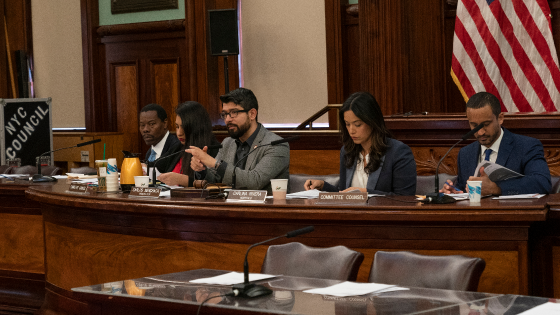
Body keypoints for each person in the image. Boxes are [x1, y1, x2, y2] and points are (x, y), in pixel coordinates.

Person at [304, 91, 417, 195]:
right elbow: (344, 194)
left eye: (357, 124)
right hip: (351, 216)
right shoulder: (347, 151)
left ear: (372, 122)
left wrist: (366, 192)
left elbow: (405, 199)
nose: (351, 130)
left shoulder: (398, 152)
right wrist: (323, 186)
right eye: (347, 124)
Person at [441, 92, 551, 196]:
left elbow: (542, 183)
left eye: (486, 124)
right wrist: (454, 191)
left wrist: (496, 188)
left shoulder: (527, 146)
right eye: (474, 126)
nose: (480, 132)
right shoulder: (465, 153)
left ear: (500, 118)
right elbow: (464, 189)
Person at [186, 88, 290, 193]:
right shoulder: (227, 143)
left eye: (234, 112)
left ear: (252, 114)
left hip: (264, 208)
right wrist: (202, 169)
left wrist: (215, 164)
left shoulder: (276, 145)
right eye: (225, 114)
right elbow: (215, 179)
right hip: (229, 207)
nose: (227, 119)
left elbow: (255, 182)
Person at [157, 102, 220, 187]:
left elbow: (214, 183)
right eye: (177, 126)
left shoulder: (215, 149)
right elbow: (157, 166)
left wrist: (182, 180)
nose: (179, 133)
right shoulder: (178, 147)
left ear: (197, 127)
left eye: (184, 127)